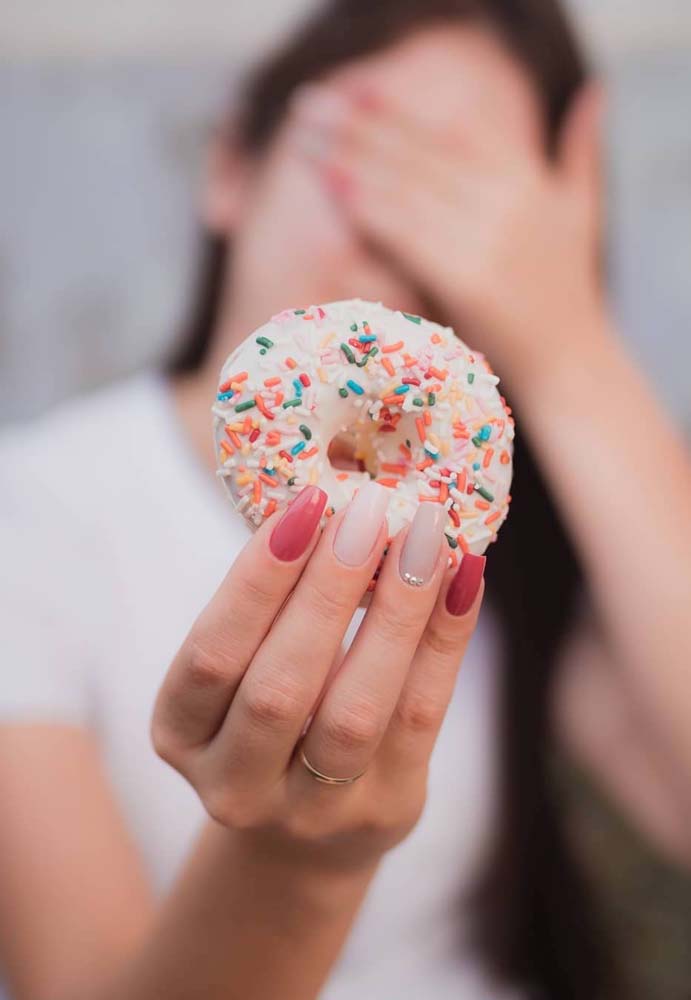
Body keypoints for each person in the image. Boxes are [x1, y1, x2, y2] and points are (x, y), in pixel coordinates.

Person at [1, 1, 690, 998]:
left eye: (481, 198)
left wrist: (567, 342)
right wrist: (298, 864)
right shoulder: (35, 516)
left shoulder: (518, 529)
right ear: (232, 166)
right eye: (376, 157)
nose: (426, 236)